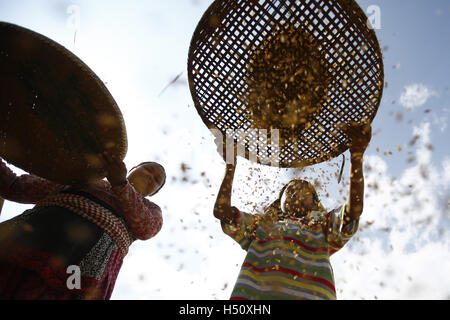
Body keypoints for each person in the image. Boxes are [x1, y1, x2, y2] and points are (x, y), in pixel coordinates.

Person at [213, 123, 371, 300]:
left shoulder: (322, 227)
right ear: (277, 203)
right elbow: (222, 211)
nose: (297, 192)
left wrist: (357, 156)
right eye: (290, 190)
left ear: (314, 204)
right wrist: (230, 166)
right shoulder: (262, 226)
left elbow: (354, 210)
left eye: (305, 190)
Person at [0, 152, 166, 300]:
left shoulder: (151, 209)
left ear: (153, 192)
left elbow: (146, 228)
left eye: (157, 180)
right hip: (31, 236)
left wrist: (121, 185)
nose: (150, 176)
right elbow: (16, 186)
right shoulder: (86, 178)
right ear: (132, 169)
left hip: (84, 267)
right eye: (148, 169)